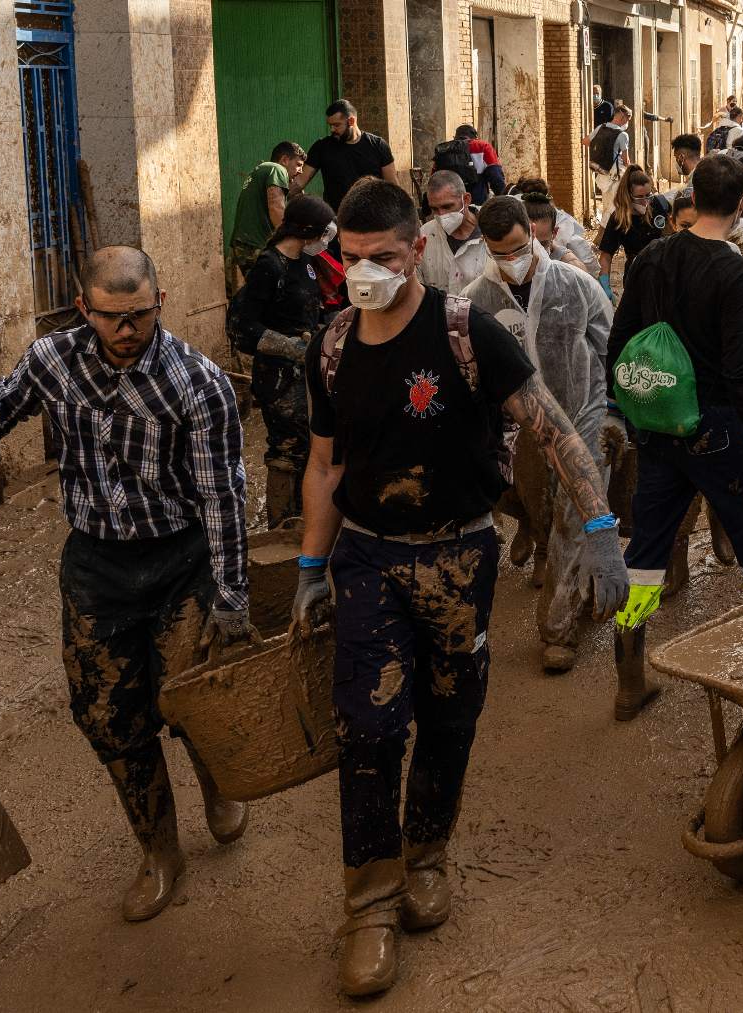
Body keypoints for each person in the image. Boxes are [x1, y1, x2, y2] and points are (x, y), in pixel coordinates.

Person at [291, 179, 625, 996]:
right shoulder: (332, 343)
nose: (365, 270)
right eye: (353, 257)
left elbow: (552, 426)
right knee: (366, 726)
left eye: (384, 257)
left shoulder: (467, 331)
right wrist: (308, 566)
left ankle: (428, 853)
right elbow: (325, 462)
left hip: (458, 555)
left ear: (418, 251)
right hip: (368, 555)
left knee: (450, 713)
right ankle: (369, 903)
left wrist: (600, 529)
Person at [0, 246, 252, 923]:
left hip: (181, 562)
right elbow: (8, 396)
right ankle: (159, 849)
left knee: (190, 698)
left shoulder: (198, 383)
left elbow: (224, 499)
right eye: (112, 317)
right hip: (96, 565)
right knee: (108, 715)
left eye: (139, 316)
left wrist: (231, 595)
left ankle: (217, 779)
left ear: (161, 304)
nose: (126, 330)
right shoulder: (55, 359)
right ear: (85, 309)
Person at [607, 154, 743, 722]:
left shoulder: (652, 255)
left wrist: (631, 411)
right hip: (714, 426)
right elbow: (740, 368)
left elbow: (620, 341)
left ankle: (629, 682)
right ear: (741, 204)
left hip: (658, 426)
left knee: (645, 551)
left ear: (690, 193)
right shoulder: (735, 270)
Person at [461, 196, 616, 674]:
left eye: (516, 248)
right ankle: (544, 544)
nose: (510, 261)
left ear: (533, 232)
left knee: (574, 517)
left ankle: (558, 628)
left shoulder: (577, 286)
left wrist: (614, 415)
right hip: (516, 428)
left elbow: (608, 349)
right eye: (498, 253)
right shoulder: (475, 301)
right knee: (526, 503)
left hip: (580, 415)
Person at [227, 195, 335, 527]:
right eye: (323, 233)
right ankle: (280, 525)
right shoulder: (269, 266)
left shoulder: (305, 262)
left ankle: (307, 517)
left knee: (311, 441)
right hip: (278, 376)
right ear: (305, 231)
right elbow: (245, 326)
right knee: (287, 446)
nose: (326, 240)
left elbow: (306, 311)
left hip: (305, 370)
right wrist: (289, 346)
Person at [292, 100, 401, 210]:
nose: (332, 129)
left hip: (373, 217)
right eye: (330, 125)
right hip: (337, 219)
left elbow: (393, 187)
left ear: (351, 121)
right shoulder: (322, 147)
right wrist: (279, 194)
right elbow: (300, 181)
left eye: (336, 125)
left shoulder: (378, 145)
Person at [227, 141, 306, 291]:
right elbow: (276, 206)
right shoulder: (276, 169)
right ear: (284, 160)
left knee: (249, 298)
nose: (301, 171)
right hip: (255, 246)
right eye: (298, 164)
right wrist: (289, 241)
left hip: (243, 245)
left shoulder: (261, 171)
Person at [416, 171, 490, 295]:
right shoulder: (425, 235)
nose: (441, 215)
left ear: (466, 200)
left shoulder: (492, 231)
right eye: (434, 209)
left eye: (447, 207)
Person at [597, 166, 660, 295]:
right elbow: (606, 256)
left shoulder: (657, 207)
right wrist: (605, 286)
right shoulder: (619, 218)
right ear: (628, 195)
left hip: (661, 275)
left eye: (648, 195)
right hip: (635, 276)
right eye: (639, 197)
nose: (645, 202)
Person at [589, 104, 632, 209]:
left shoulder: (601, 127)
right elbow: (626, 160)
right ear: (622, 117)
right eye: (627, 120)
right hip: (615, 176)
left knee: (606, 207)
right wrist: (632, 173)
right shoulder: (623, 135)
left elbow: (586, 141)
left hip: (602, 172)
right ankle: (607, 225)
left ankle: (606, 224)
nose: (627, 123)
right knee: (615, 208)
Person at [454, 124, 505, 204]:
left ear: (455, 137)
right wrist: (504, 198)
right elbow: (496, 177)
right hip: (477, 203)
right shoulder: (483, 146)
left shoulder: (444, 150)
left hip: (450, 205)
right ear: (475, 137)